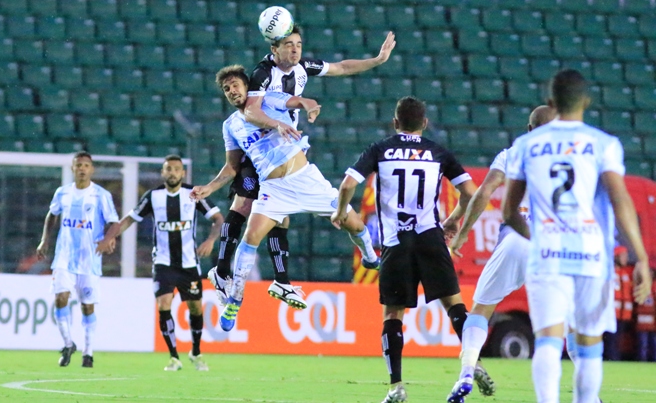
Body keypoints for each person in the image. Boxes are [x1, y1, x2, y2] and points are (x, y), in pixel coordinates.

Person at [212, 27, 396, 310]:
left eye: (298, 44)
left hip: (297, 164)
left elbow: (340, 68)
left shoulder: (300, 69)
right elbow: (250, 112)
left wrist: (377, 60)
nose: (295, 50)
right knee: (245, 217)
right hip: (265, 162)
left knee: (348, 223)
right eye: (289, 45)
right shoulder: (261, 75)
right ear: (275, 49)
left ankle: (368, 259)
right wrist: (278, 123)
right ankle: (231, 288)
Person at [502, 69, 651, 403]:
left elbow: (509, 212)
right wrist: (640, 256)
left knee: (548, 342)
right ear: (586, 100)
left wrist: (537, 237)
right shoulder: (604, 144)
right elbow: (620, 199)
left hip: (547, 254)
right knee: (588, 346)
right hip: (591, 256)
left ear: (551, 102)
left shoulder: (526, 145)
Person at [191, 65, 378, 331]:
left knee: (355, 224)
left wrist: (309, 105)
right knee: (251, 236)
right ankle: (234, 301)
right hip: (273, 187)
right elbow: (232, 166)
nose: (232, 91)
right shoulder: (230, 125)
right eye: (226, 89)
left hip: (305, 178)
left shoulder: (269, 99)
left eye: (235, 85)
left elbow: (298, 100)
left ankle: (370, 256)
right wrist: (210, 187)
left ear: (247, 86)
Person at [331, 96, 477, 403]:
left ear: (395, 123)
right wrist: (452, 221)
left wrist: (341, 212)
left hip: (396, 242)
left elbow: (347, 185)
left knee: (393, 313)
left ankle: (396, 386)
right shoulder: (437, 151)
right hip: (430, 236)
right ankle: (472, 365)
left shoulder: (381, 149)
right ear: (424, 123)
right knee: (454, 304)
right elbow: (470, 192)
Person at [446, 105, 555, 402]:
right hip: (552, 243)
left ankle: (467, 372)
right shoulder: (568, 158)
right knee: (562, 323)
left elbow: (484, 193)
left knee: (481, 310)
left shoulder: (512, 153)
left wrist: (464, 232)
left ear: (530, 129)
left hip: (517, 235)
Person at [97, 155, 223, 372]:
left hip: (189, 263)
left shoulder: (193, 194)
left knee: (195, 308)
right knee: (164, 304)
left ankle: (195, 351)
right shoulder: (153, 197)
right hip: (163, 262)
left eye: (177, 169)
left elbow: (219, 219)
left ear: (183, 173)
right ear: (163, 173)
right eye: (168, 169)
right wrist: (110, 236)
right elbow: (128, 219)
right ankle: (174, 357)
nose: (172, 173)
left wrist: (211, 240)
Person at [36, 151, 120, 369]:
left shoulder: (101, 195)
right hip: (64, 256)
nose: (82, 169)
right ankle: (67, 344)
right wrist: (45, 240)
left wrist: (109, 239)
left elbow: (114, 222)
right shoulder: (62, 193)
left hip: (89, 259)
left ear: (92, 170)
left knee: (87, 307)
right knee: (60, 298)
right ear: (73, 169)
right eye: (78, 165)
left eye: (86, 165)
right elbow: (52, 214)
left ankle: (88, 352)